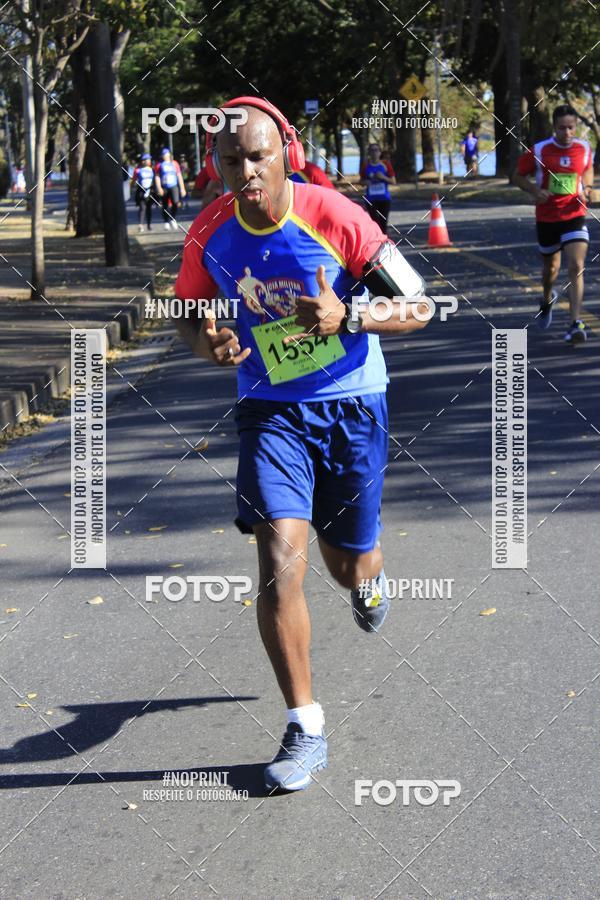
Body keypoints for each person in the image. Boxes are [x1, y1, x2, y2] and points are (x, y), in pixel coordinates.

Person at [174, 96, 430, 793]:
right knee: (278, 558)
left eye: (259, 156)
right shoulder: (209, 231)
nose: (247, 172)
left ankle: (369, 576)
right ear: (216, 164)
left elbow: (419, 304)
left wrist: (350, 314)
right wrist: (206, 344)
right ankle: (305, 727)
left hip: (352, 406)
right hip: (269, 411)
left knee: (347, 565)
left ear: (285, 152)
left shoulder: (336, 215)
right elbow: (189, 316)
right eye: (232, 160)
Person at [514, 104, 594, 342]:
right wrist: (534, 190)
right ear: (554, 127)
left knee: (576, 265)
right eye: (562, 128)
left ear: (575, 127)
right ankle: (547, 298)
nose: (567, 133)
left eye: (571, 127)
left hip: (575, 214)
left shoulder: (584, 147)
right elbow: (518, 176)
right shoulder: (540, 150)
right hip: (547, 217)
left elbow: (587, 168)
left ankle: (575, 323)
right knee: (551, 269)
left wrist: (587, 187)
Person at [359, 143, 396, 232]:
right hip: (371, 199)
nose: (374, 152)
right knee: (374, 222)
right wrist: (365, 182)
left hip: (384, 199)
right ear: (369, 153)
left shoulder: (385, 164)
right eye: (372, 150)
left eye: (376, 150)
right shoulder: (366, 166)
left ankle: (384, 239)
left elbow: (393, 181)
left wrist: (383, 177)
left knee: (383, 223)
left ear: (380, 152)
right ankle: (376, 239)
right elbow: (361, 181)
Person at [154, 148, 187, 230]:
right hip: (164, 187)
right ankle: (166, 222)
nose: (164, 156)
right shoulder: (159, 165)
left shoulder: (175, 163)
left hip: (173, 186)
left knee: (175, 202)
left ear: (169, 155)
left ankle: (173, 219)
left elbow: (179, 176)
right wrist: (159, 188)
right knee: (165, 204)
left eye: (166, 154)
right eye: (163, 155)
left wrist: (182, 188)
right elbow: (157, 177)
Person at [131, 153, 155, 232]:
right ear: (143, 161)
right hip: (141, 191)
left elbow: (155, 179)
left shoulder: (152, 169)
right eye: (148, 159)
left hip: (150, 191)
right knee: (142, 207)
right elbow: (133, 180)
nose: (149, 161)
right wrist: (132, 187)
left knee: (149, 208)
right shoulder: (138, 170)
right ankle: (140, 225)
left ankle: (149, 224)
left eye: (149, 159)